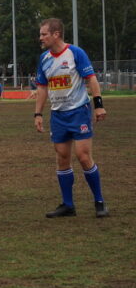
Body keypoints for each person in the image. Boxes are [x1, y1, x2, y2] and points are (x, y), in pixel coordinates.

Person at [34, 18, 109, 219]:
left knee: (83, 156)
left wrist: (98, 106)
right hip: (58, 115)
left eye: (44, 34)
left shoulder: (75, 53)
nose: (40, 38)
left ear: (56, 34)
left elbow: (91, 79)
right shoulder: (43, 58)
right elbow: (42, 88)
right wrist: (38, 113)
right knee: (62, 158)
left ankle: (99, 201)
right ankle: (68, 205)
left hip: (79, 111)